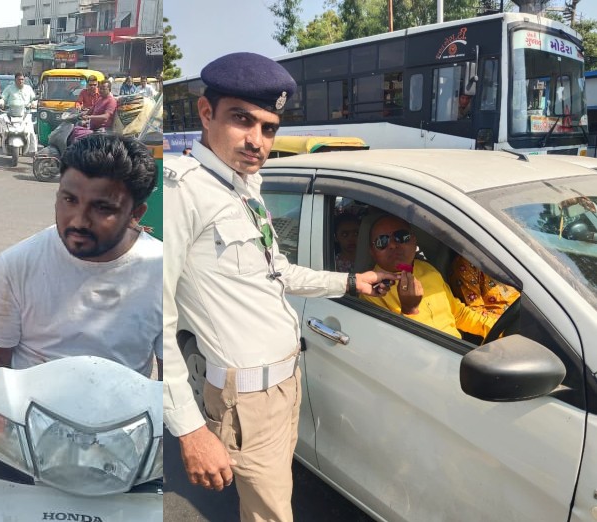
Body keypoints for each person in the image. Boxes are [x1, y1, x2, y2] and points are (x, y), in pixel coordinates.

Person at [162, 52, 397, 522]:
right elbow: (156, 318)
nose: (256, 140)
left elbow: (279, 271)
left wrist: (351, 281)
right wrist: (189, 431)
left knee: (271, 505)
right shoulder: (181, 190)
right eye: (242, 120)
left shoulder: (243, 187)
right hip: (244, 402)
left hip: (282, 389)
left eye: (268, 128)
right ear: (207, 114)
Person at [0, 134, 162, 482]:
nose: (78, 220)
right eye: (68, 199)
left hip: (124, 447)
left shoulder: (162, 271)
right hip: (24, 439)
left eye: (102, 208)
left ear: (135, 214)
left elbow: (172, 384)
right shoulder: (18, 263)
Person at [361, 215, 496, 338]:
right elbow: (392, 347)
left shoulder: (428, 270)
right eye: (381, 241)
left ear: (414, 241)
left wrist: (498, 330)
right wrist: (409, 310)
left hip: (456, 354)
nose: (392, 245)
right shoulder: (370, 291)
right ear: (372, 252)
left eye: (401, 237)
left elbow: (459, 314)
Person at [449, 255, 520, 317]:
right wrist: (507, 322)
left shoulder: (505, 259)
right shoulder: (466, 264)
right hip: (502, 326)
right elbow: (474, 313)